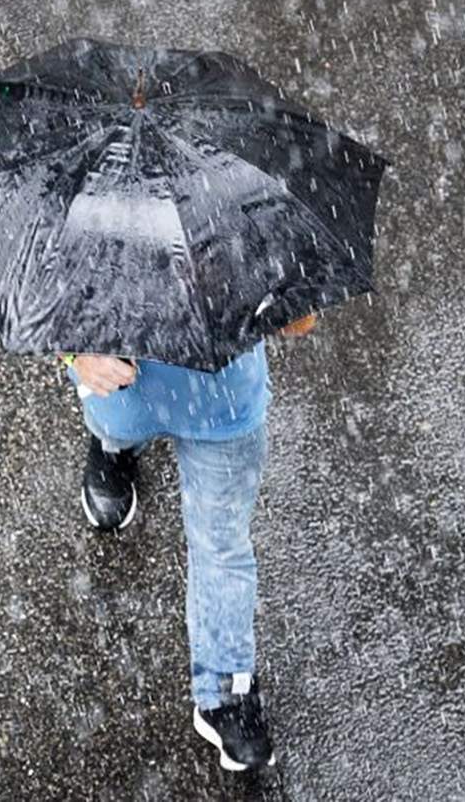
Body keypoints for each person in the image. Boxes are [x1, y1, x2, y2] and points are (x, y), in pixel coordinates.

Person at [65, 313, 316, 773]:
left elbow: (301, 318)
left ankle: (225, 692)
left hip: (224, 408)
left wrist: (289, 314)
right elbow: (45, 291)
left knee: (221, 546)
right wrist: (75, 355)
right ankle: (112, 446)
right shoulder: (91, 244)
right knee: (115, 423)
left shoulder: (247, 239)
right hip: (124, 395)